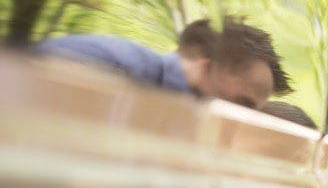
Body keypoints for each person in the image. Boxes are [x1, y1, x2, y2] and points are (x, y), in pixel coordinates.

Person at [35, 16, 291, 109]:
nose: (241, 121)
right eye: (241, 104)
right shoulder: (113, 65)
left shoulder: (174, 113)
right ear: (208, 68)